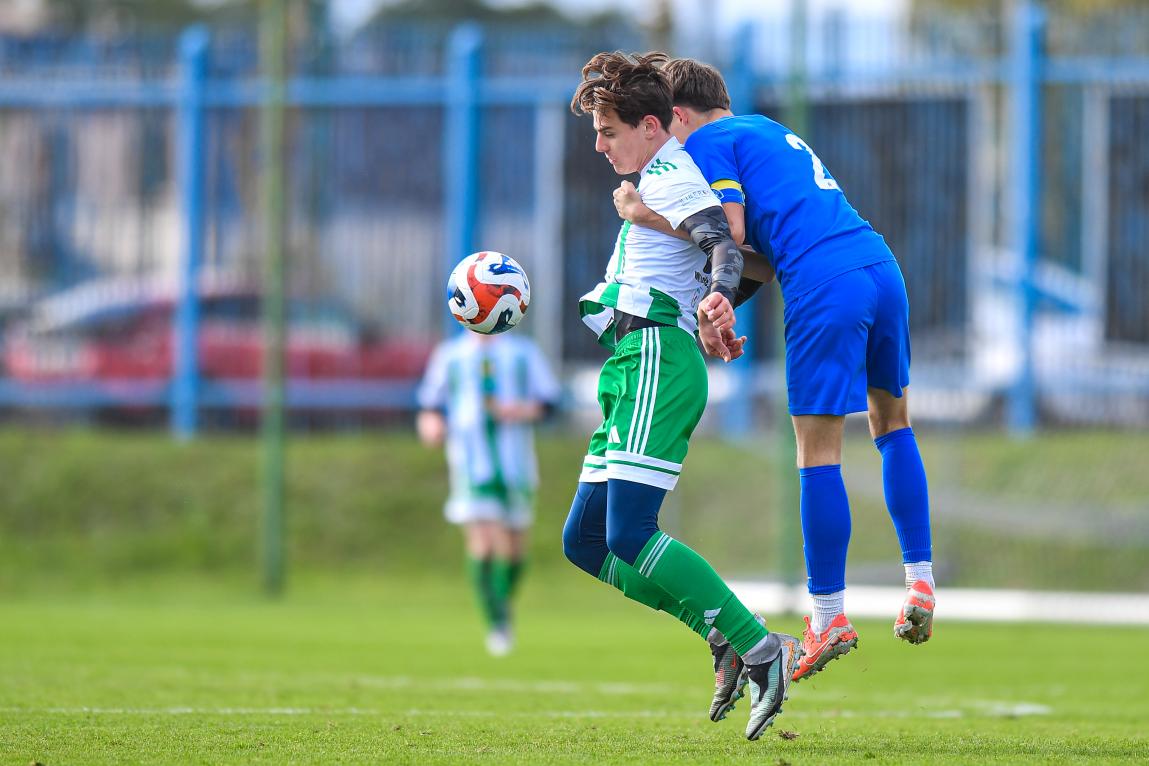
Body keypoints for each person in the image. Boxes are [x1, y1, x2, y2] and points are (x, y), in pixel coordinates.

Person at [614, 57, 936, 684]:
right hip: (878, 266)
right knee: (893, 424)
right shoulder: (768, 130)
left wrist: (641, 214)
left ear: (677, 116)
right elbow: (762, 257)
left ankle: (828, 616)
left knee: (818, 453)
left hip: (824, 285)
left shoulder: (705, 144)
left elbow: (728, 232)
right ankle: (920, 580)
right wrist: (723, 307)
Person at [561, 50, 800, 742]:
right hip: (631, 362)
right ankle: (722, 635)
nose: (600, 146)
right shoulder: (653, 179)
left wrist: (718, 299)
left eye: (608, 132)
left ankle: (762, 647)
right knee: (586, 541)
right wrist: (713, 310)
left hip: (656, 359)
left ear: (649, 126)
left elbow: (722, 243)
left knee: (629, 533)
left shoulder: (669, 174)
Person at [416, 329, 561, 656]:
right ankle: (497, 624)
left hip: (515, 466)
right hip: (471, 464)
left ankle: (501, 605)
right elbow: (429, 404)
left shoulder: (522, 353)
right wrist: (430, 425)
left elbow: (550, 403)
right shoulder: (451, 355)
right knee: (483, 544)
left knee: (514, 553)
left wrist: (520, 410)